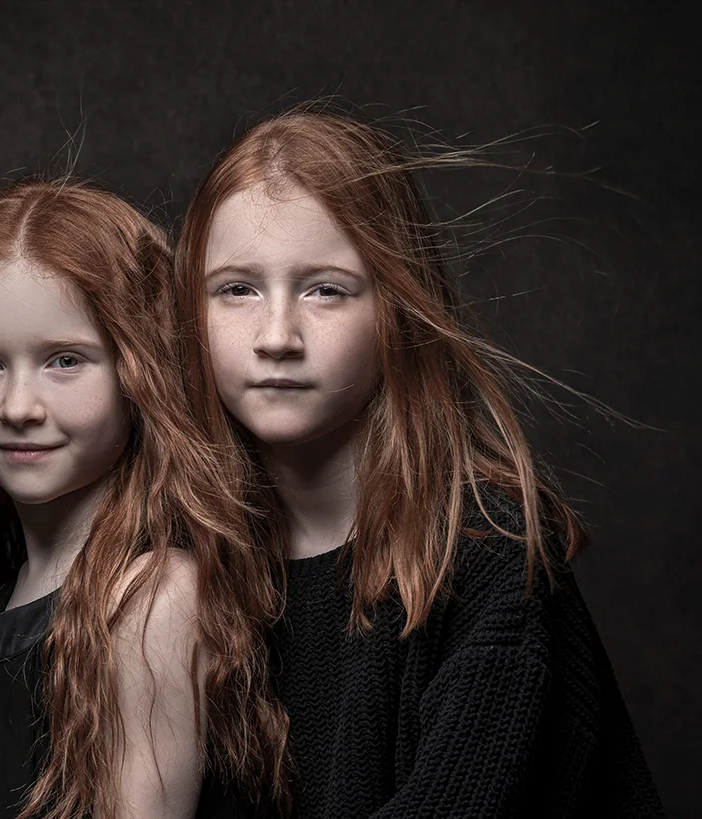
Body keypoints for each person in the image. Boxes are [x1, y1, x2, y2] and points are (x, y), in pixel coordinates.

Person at [174, 109, 664, 817]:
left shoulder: (487, 555)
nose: (276, 335)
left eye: (326, 289)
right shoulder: (182, 560)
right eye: (237, 289)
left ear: (397, 312)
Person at [0, 179, 290, 819]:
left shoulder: (151, 601)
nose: (19, 407)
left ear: (140, 371)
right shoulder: (10, 588)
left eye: (64, 360)